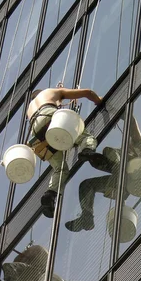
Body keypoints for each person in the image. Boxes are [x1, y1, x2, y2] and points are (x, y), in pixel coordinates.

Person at [65, 115, 141, 232]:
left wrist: (121, 113)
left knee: (109, 151)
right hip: (124, 179)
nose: (128, 147)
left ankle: (108, 164)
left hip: (136, 177)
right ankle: (87, 217)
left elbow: (132, 123)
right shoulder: (126, 154)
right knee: (86, 185)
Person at [26, 86, 102, 217]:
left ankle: (50, 194)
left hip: (37, 132)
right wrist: (98, 101)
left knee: (60, 168)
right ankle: (87, 151)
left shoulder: (30, 107)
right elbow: (87, 92)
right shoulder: (50, 92)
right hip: (49, 115)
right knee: (86, 138)